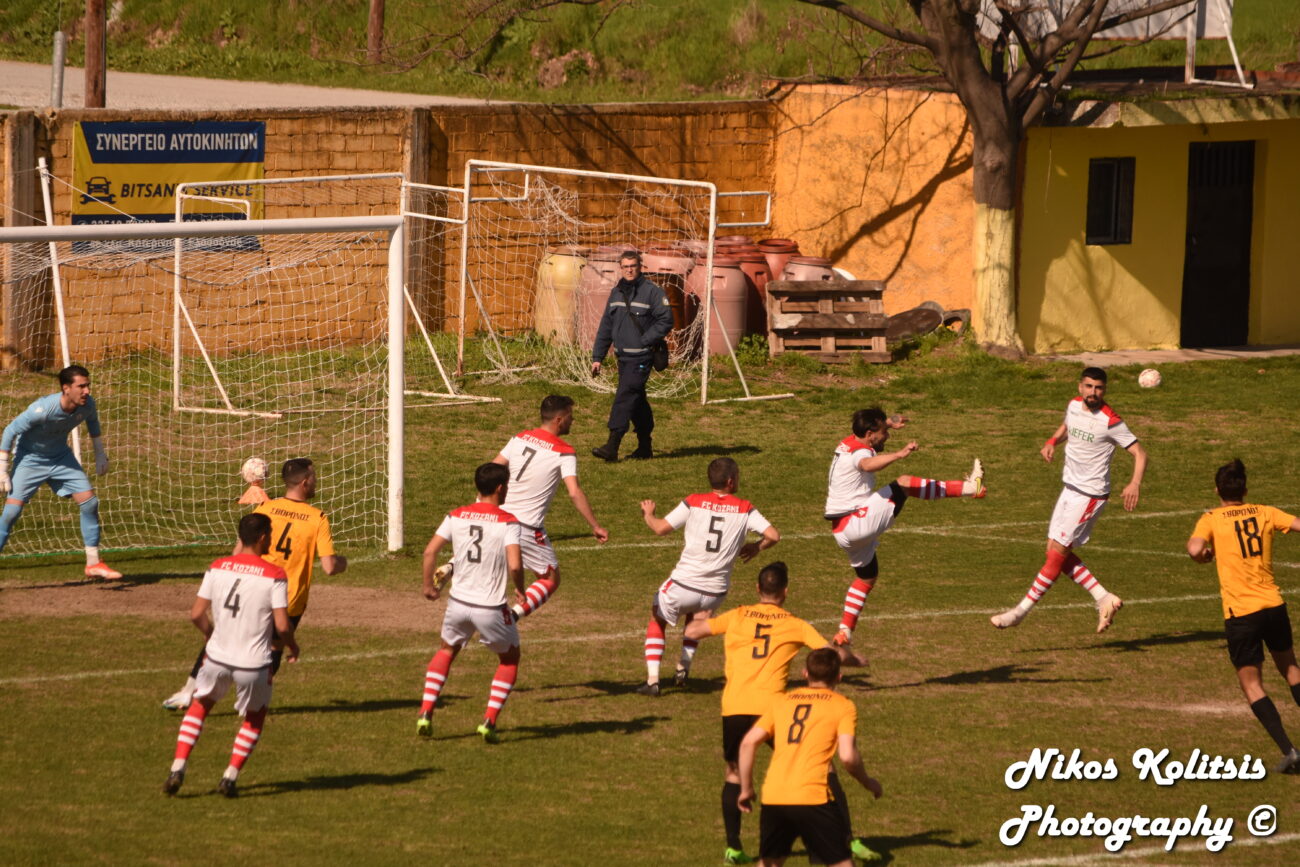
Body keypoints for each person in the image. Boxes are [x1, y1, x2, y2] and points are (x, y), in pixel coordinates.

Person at [684, 562, 871, 866]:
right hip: (773, 709)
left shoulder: (738, 615)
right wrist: (855, 659)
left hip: (735, 706)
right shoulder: (795, 624)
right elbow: (829, 652)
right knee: (824, 768)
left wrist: (702, 615)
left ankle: (733, 847)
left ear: (758, 588)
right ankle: (847, 839)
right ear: (785, 591)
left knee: (733, 772)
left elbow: (693, 631)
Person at [162, 458, 346, 710]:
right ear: (305, 482)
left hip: (254, 593)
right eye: (314, 477)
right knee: (273, 649)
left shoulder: (265, 508)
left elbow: (238, 552)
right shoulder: (318, 518)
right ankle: (252, 704)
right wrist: (342, 562)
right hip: (289, 599)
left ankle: (188, 691)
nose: (316, 481)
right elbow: (329, 567)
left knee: (222, 638)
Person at [991, 367, 1144, 632]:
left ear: (1104, 390)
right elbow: (1067, 427)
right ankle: (1104, 597)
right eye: (1089, 386)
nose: (1093, 392)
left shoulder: (1111, 421)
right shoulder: (1073, 406)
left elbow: (1140, 453)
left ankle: (1019, 612)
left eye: (1098, 388)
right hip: (1069, 489)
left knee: (1056, 555)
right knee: (1053, 550)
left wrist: (1134, 483)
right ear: (1080, 387)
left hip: (1090, 494)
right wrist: (1052, 441)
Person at [162, 512, 298, 798]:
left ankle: (177, 767)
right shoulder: (275, 575)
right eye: (270, 535)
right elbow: (283, 625)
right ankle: (230, 776)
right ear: (263, 538)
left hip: (216, 658)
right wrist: (292, 646)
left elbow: (196, 614)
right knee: (254, 717)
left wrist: (210, 634)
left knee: (200, 706)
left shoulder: (218, 566)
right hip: (253, 663)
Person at [827, 408, 985, 646]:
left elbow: (870, 440)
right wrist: (899, 454)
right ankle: (972, 488)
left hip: (841, 532)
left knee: (867, 578)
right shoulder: (861, 453)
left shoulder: (849, 442)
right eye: (883, 432)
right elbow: (867, 464)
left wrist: (889, 422)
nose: (887, 436)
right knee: (904, 484)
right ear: (869, 434)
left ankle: (844, 631)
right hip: (856, 521)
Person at [1186, 459, 1300, 774]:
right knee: (1291, 670)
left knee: (1251, 684)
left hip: (1242, 614)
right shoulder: (1265, 512)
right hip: (1273, 606)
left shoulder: (1211, 518)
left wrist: (1205, 555)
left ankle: (1290, 751)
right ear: (1245, 490)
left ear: (1217, 490)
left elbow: (1194, 549)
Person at [636, 457, 780, 695]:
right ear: (731, 481)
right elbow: (773, 535)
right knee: (695, 620)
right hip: (715, 591)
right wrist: (757, 547)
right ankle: (683, 668)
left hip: (683, 584)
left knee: (657, 618)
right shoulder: (745, 508)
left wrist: (648, 514)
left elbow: (660, 528)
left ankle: (652, 681)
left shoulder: (694, 501)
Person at [737, 648, 883, 867]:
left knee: (770, 863)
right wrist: (868, 782)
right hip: (813, 796)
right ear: (839, 677)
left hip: (775, 796)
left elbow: (748, 743)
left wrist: (746, 788)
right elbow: (847, 756)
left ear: (805, 673)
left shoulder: (782, 701)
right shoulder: (842, 705)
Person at [417, 462, 526, 744]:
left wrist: (428, 586)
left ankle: (426, 712)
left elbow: (430, 552)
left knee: (446, 650)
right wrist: (520, 589)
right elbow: (515, 565)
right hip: (490, 607)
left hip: (458, 603)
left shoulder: (456, 515)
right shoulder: (508, 521)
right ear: (500, 488)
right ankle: (489, 721)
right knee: (510, 659)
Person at [491, 395, 608, 620]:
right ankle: (511, 617)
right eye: (571, 416)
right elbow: (574, 492)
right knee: (550, 579)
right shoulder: (564, 451)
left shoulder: (520, 437)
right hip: (526, 526)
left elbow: (493, 467)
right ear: (559, 420)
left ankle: (453, 564)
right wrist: (595, 526)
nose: (573, 421)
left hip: (498, 516)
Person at [0, 365, 119, 578]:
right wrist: (2, 468)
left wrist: (100, 453)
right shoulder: (42, 409)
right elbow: (10, 430)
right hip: (30, 460)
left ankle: (93, 563)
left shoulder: (87, 405)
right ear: (66, 388)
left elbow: (93, 423)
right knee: (10, 514)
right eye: (81, 386)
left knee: (90, 502)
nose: (87, 391)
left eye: (88, 385)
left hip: (61, 458)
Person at [589, 251, 673, 462]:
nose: (629, 270)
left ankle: (612, 445)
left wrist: (645, 340)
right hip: (623, 358)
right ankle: (645, 446)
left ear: (640, 267)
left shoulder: (653, 292)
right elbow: (606, 326)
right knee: (636, 400)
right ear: (620, 268)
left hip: (641, 358)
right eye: (625, 266)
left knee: (625, 396)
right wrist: (598, 357)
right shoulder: (616, 293)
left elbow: (666, 320)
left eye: (633, 266)